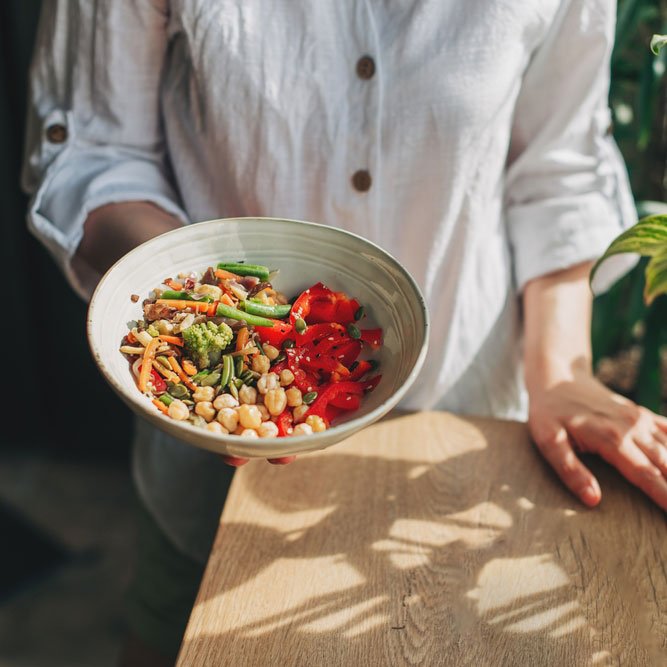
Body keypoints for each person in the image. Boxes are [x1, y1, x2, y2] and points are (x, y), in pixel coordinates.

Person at [23, 1, 667, 664]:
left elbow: (556, 169)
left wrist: (564, 374)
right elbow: (95, 152)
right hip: (210, 479)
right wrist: (202, 299)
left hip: (461, 430)